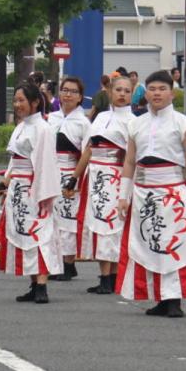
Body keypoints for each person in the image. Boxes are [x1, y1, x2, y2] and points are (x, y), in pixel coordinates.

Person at [116, 69, 186, 318]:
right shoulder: (135, 123)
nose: (157, 93)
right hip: (144, 191)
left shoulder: (183, 123)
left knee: (174, 245)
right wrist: (124, 195)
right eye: (152, 88)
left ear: (172, 93)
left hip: (173, 191)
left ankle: (174, 298)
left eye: (162, 89)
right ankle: (159, 297)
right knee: (148, 243)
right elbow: (130, 161)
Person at [0, 80, 62, 303]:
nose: (17, 104)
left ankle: (42, 285)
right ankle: (33, 283)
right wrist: (4, 185)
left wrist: (43, 195)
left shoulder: (43, 128)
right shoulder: (21, 127)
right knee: (22, 233)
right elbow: (14, 162)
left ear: (35, 102)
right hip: (18, 187)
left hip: (33, 186)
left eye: (22, 100)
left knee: (38, 232)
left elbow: (45, 164)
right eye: (16, 100)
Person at [70, 76, 135, 295]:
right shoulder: (99, 119)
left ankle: (113, 276)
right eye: (118, 89)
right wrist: (74, 177)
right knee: (96, 225)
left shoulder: (133, 122)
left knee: (113, 226)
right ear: (109, 91)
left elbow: (131, 157)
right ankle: (104, 275)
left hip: (116, 177)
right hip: (95, 176)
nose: (122, 94)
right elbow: (88, 149)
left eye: (127, 90)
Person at [46, 76, 90, 282]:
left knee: (68, 219)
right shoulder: (50, 118)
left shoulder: (83, 122)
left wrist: (75, 178)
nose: (68, 94)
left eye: (73, 91)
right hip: (50, 172)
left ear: (80, 97)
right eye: (64, 90)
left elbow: (87, 153)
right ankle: (55, 260)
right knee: (52, 218)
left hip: (71, 172)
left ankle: (69, 262)